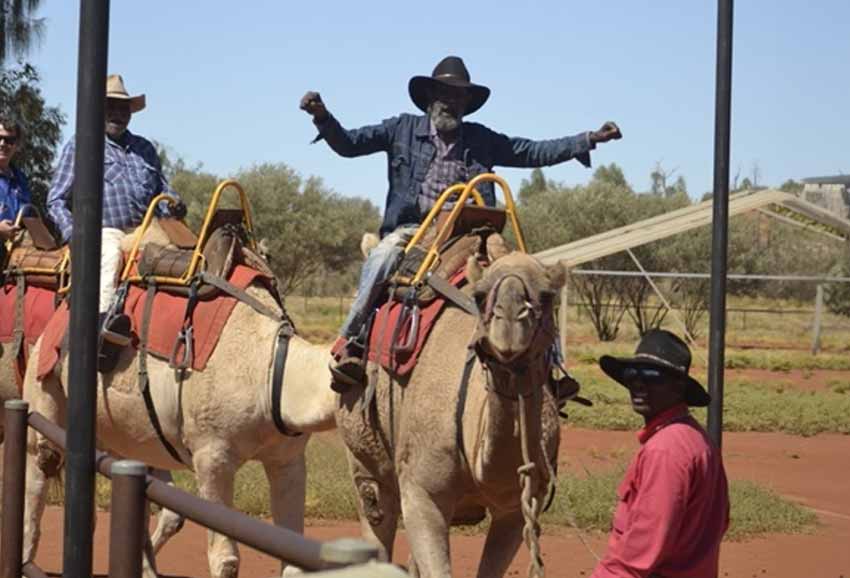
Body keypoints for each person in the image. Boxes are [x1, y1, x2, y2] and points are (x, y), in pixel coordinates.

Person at [300, 55, 622, 388]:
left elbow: (531, 151)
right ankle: (352, 343)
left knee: (532, 275)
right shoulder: (401, 129)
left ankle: (553, 369)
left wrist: (587, 140)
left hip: (476, 233)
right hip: (416, 232)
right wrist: (322, 117)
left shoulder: (482, 139)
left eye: (459, 97)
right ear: (430, 98)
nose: (452, 103)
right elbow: (350, 144)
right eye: (445, 94)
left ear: (467, 104)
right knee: (382, 258)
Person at [46, 74, 184, 371]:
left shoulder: (144, 148)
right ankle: (98, 332)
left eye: (124, 109)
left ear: (131, 113)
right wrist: (75, 234)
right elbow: (55, 200)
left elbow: (163, 189)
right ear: (100, 110)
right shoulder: (82, 144)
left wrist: (175, 202)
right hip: (103, 230)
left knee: (181, 258)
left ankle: (176, 331)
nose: (118, 114)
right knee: (107, 257)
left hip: (144, 229)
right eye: (111, 107)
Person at [590, 329, 729, 578]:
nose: (638, 383)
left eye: (652, 375)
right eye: (632, 374)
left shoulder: (665, 450)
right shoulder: (696, 438)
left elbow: (637, 557)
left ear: (678, 386)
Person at [0, 116, 31, 243]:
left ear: (17, 145)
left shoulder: (21, 180)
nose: (2, 144)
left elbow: (27, 216)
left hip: (13, 255)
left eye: (9, 140)